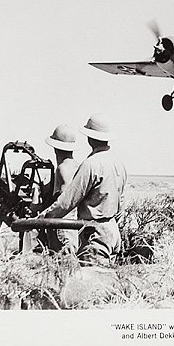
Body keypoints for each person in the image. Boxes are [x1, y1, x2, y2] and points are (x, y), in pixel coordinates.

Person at [38, 113, 128, 266]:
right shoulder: (118, 163)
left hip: (95, 233)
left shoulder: (91, 164)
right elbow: (121, 203)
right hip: (112, 231)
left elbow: (68, 201)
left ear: (90, 138)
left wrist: (44, 217)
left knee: (92, 283)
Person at [43, 124, 80, 254]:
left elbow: (64, 199)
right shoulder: (76, 166)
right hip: (72, 225)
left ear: (55, 148)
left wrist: (44, 215)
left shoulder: (62, 168)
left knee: (61, 260)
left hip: (62, 226)